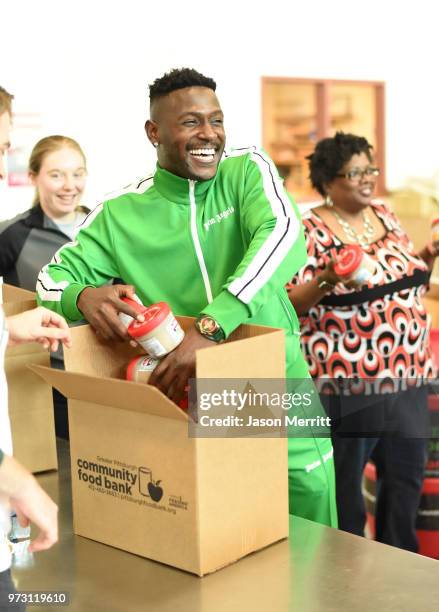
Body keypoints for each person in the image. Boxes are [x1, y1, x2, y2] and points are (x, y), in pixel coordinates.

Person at [36, 68, 337, 527]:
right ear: (153, 132)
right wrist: (82, 297)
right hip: (188, 391)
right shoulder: (120, 214)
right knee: (225, 520)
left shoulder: (246, 170)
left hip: (274, 378)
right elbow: (50, 280)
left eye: (216, 121)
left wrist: (211, 327)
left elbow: (282, 235)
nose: (209, 135)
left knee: (310, 495)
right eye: (191, 122)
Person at [287, 131, 436, 551]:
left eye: (370, 167)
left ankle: (401, 574)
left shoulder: (386, 215)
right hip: (349, 384)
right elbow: (291, 303)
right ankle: (346, 579)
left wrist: (430, 252)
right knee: (346, 492)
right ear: (329, 181)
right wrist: (329, 276)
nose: (368, 178)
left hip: (409, 375)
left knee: (405, 484)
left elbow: (408, 280)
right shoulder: (309, 228)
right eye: (355, 172)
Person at [0, 85, 72, 610]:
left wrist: (9, 329)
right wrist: (15, 478)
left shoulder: (96, 225)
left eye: (5, 149)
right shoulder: (11, 236)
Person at [0, 135, 89, 291]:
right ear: (33, 178)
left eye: (77, 174)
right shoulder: (12, 234)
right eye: (56, 175)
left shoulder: (103, 225)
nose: (69, 185)